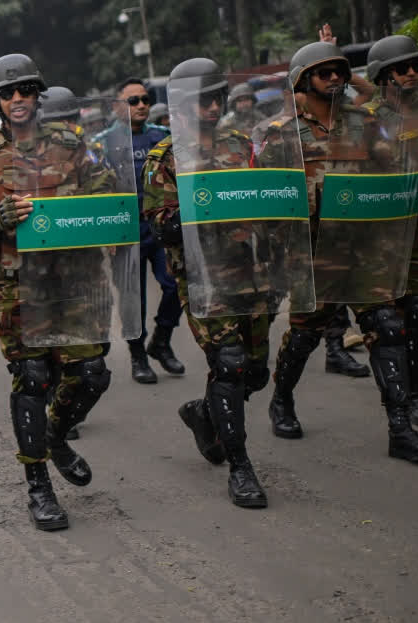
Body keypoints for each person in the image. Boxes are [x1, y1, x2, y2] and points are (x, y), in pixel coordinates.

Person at [0, 54, 111, 531]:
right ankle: (39, 486)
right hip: (16, 284)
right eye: (7, 93)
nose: (17, 99)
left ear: (38, 94)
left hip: (73, 281)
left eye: (24, 90)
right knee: (33, 378)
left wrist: (102, 205)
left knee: (91, 373)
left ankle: (56, 435)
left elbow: (108, 199)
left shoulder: (71, 143)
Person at [264, 41, 418, 464]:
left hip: (365, 249)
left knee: (388, 328)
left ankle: (400, 427)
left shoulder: (364, 122)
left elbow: (391, 169)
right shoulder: (281, 133)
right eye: (325, 73)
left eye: (339, 71)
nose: (335, 78)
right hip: (316, 255)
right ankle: (281, 398)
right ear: (304, 81)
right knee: (303, 336)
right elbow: (269, 196)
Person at [142, 58, 275, 508]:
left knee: (254, 372)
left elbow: (268, 198)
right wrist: (204, 204)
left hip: (251, 273)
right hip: (203, 280)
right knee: (232, 363)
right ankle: (240, 467)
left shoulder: (244, 144)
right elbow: (161, 225)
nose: (213, 106)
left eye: (217, 97)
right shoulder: (165, 159)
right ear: (181, 107)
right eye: (203, 100)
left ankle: (203, 413)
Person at [94, 77, 185, 384]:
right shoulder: (103, 142)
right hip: (125, 233)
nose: (142, 105)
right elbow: (96, 192)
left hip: (160, 228)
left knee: (175, 285)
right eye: (133, 101)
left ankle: (161, 340)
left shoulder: (164, 136)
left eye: (145, 99)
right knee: (133, 298)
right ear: (118, 106)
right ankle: (138, 356)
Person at [364, 35, 418, 426]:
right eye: (402, 68)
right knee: (396, 320)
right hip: (384, 236)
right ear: (383, 74)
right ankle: (408, 397)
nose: (411, 73)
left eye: (416, 66)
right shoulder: (366, 119)